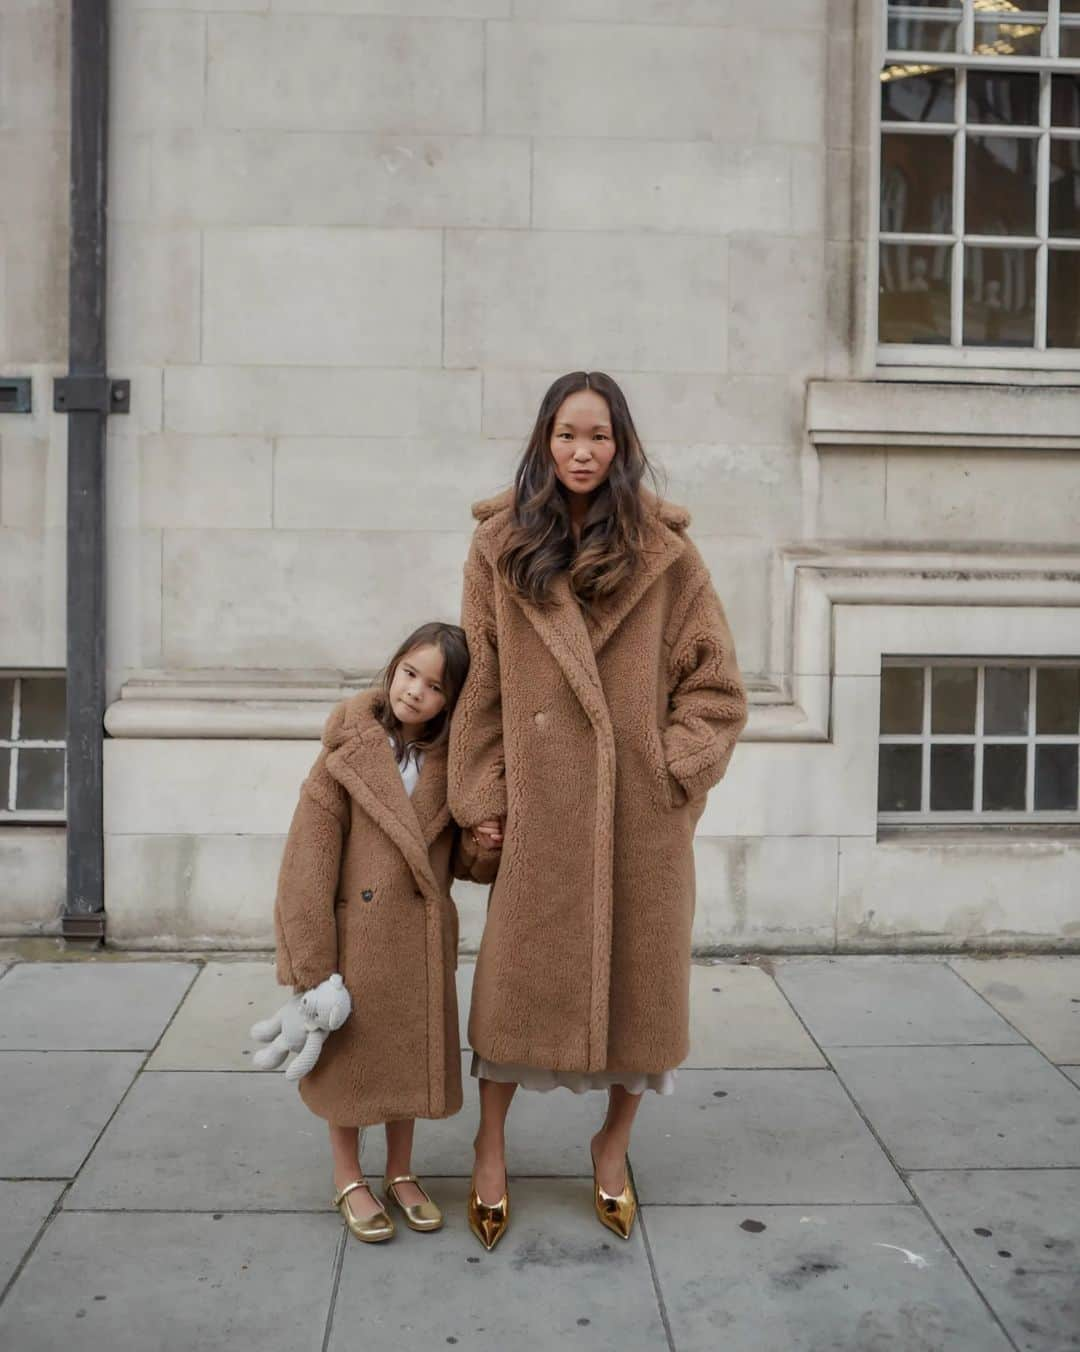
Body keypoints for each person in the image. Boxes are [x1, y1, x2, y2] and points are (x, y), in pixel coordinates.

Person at [449, 371, 748, 1251]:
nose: (583, 452)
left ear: (623, 447)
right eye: (568, 435)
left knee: (641, 999)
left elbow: (718, 689)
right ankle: (490, 1145)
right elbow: (483, 686)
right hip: (540, 810)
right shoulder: (498, 549)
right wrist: (482, 796)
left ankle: (611, 1147)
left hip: (637, 820)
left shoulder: (668, 556)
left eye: (601, 437)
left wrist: (669, 770)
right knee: (511, 991)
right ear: (545, 441)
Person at [273, 622, 500, 1243]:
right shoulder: (344, 754)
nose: (415, 692)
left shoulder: (451, 769)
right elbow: (307, 864)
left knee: (407, 1057)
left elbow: (457, 865)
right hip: (356, 941)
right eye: (409, 673)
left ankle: (401, 1172)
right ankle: (349, 1175)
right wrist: (313, 966)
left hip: (418, 941)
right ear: (393, 667)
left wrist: (481, 846)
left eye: (434, 687)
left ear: (451, 701)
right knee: (348, 1063)